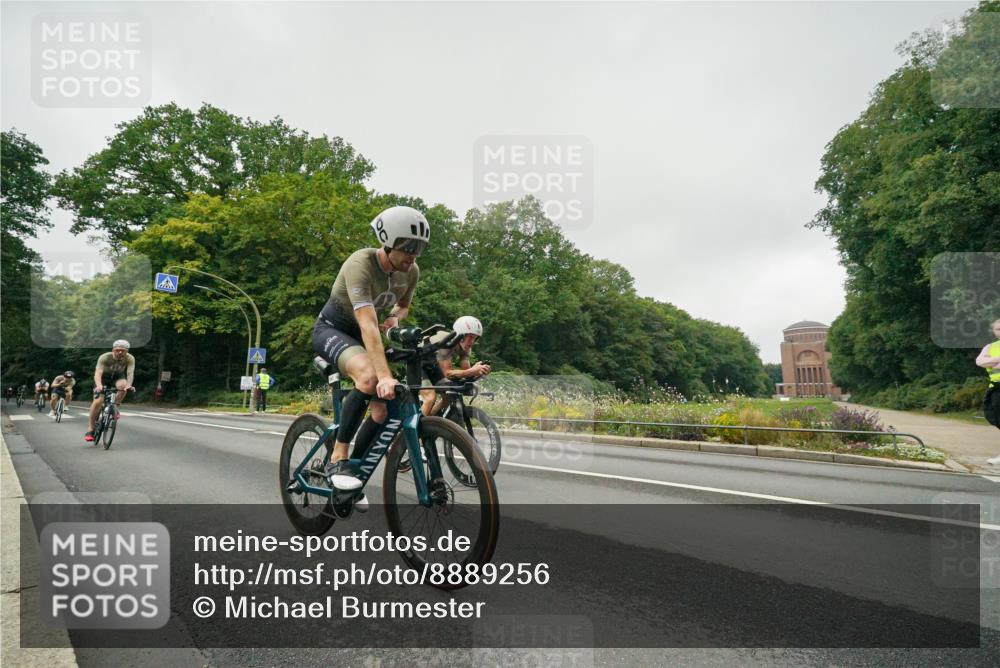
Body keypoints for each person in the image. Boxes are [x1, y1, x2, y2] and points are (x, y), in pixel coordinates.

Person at [312, 205, 429, 497]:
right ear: (387, 241)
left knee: (381, 414)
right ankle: (338, 456)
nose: (413, 254)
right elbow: (367, 325)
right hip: (333, 329)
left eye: (420, 247)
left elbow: (402, 306)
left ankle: (354, 469)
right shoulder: (360, 264)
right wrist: (384, 375)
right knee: (369, 377)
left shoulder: (411, 271)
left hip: (367, 335)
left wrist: (395, 318)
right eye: (408, 246)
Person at [420, 316, 491, 416]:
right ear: (461, 335)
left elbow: (467, 371)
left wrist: (479, 370)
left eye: (475, 338)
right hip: (417, 363)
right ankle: (415, 430)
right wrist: (472, 371)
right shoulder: (446, 342)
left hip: (432, 366)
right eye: (470, 337)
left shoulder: (466, 348)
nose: (472, 342)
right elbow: (447, 373)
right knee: (430, 398)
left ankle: (432, 421)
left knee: (450, 396)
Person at [85, 340, 135, 442]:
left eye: (123, 351)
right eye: (117, 350)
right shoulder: (105, 357)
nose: (120, 353)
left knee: (123, 386)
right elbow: (98, 373)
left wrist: (129, 385)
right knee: (98, 401)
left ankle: (115, 407)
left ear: (127, 351)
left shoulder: (130, 358)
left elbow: (130, 372)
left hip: (118, 376)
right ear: (113, 350)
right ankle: (90, 429)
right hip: (103, 377)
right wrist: (99, 386)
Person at [976, 318, 1000, 466]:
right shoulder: (990, 347)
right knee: (994, 417)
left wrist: (991, 361)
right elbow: (980, 361)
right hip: (996, 389)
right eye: (998, 329)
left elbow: (987, 362)